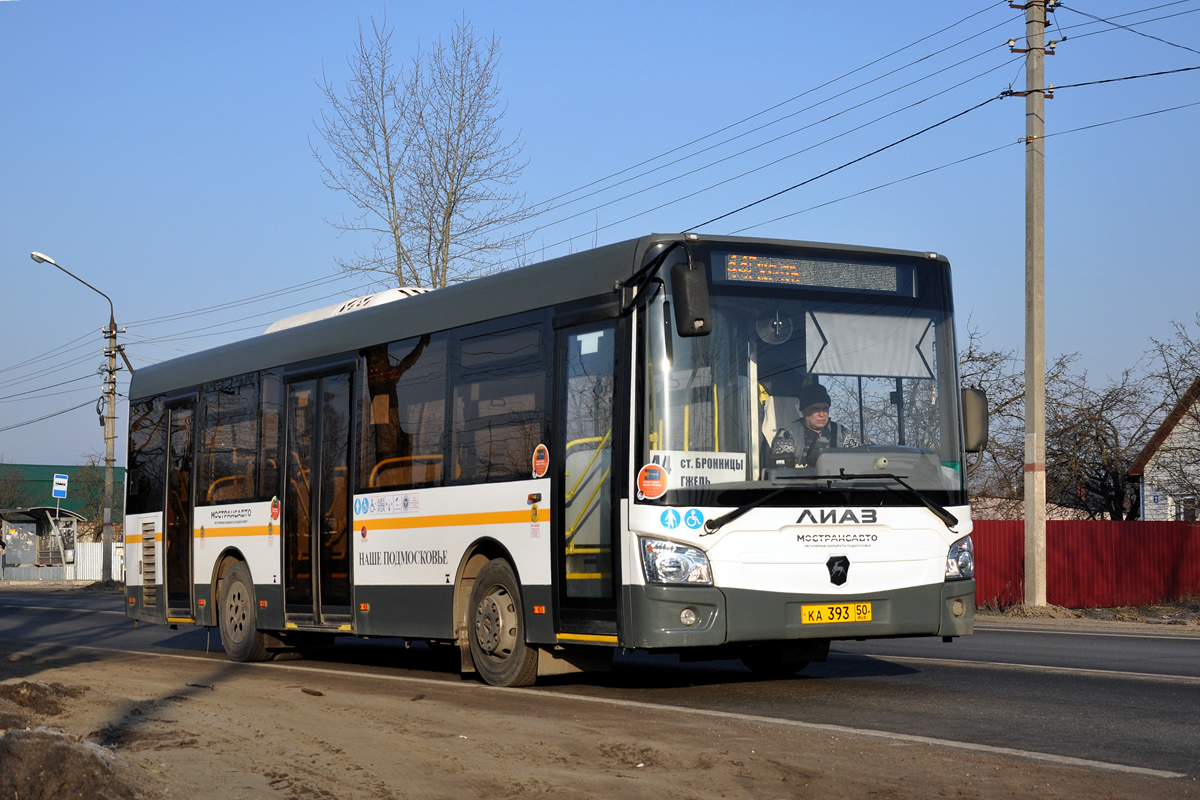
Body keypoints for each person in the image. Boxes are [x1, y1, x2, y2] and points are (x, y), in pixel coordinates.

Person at [768, 382, 859, 467]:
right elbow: (782, 469)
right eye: (816, 409)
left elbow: (862, 457)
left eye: (825, 409)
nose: (822, 414)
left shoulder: (842, 432)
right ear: (803, 411)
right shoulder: (787, 434)